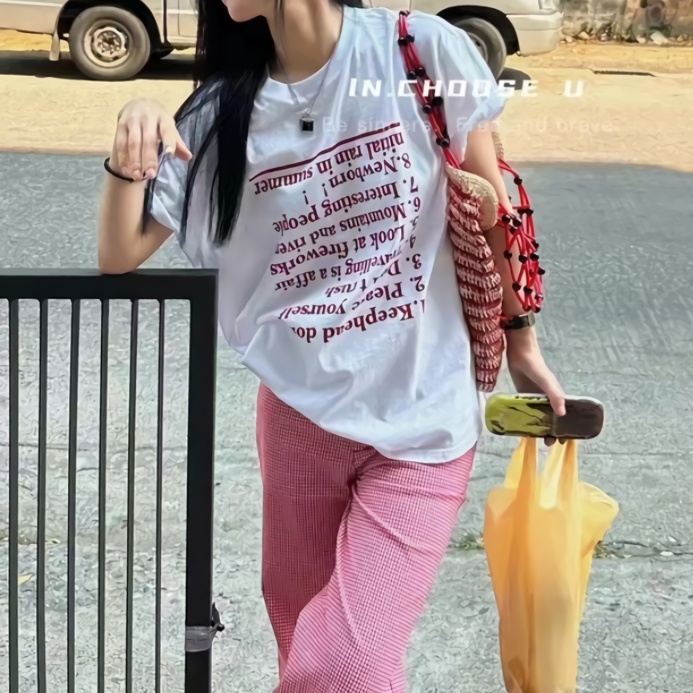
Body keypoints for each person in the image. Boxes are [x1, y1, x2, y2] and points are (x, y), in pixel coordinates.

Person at [98, 1, 565, 690]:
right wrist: (130, 136)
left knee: (346, 663)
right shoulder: (222, 111)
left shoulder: (419, 51)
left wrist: (521, 344)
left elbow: (494, 215)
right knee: (303, 641)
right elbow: (119, 253)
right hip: (298, 414)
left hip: (424, 419)